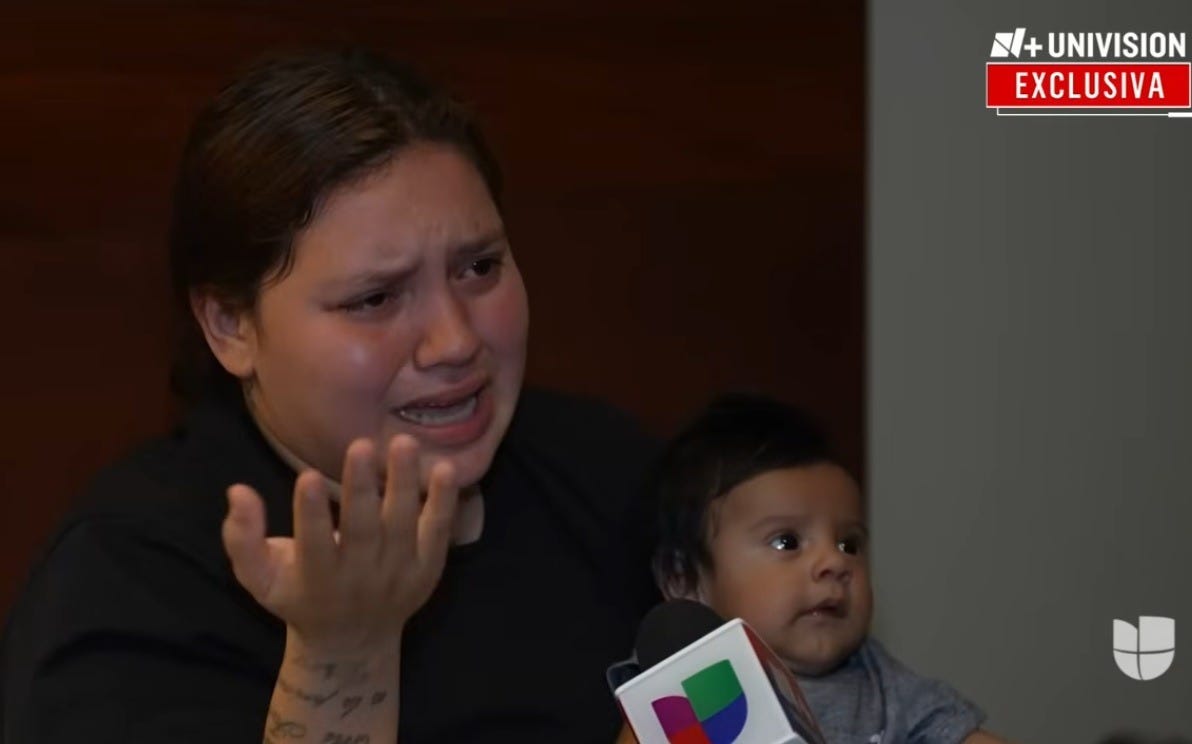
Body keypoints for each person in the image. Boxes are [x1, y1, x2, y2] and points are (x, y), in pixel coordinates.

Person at [0, 47, 660, 743]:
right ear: (230, 326)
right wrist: (345, 653)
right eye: (375, 298)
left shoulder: (607, 467)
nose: (456, 341)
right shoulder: (129, 581)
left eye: (480, 267)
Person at [647, 393, 1010, 744]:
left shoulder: (884, 685)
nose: (835, 562)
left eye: (849, 544)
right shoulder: (684, 682)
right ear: (686, 582)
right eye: (786, 542)